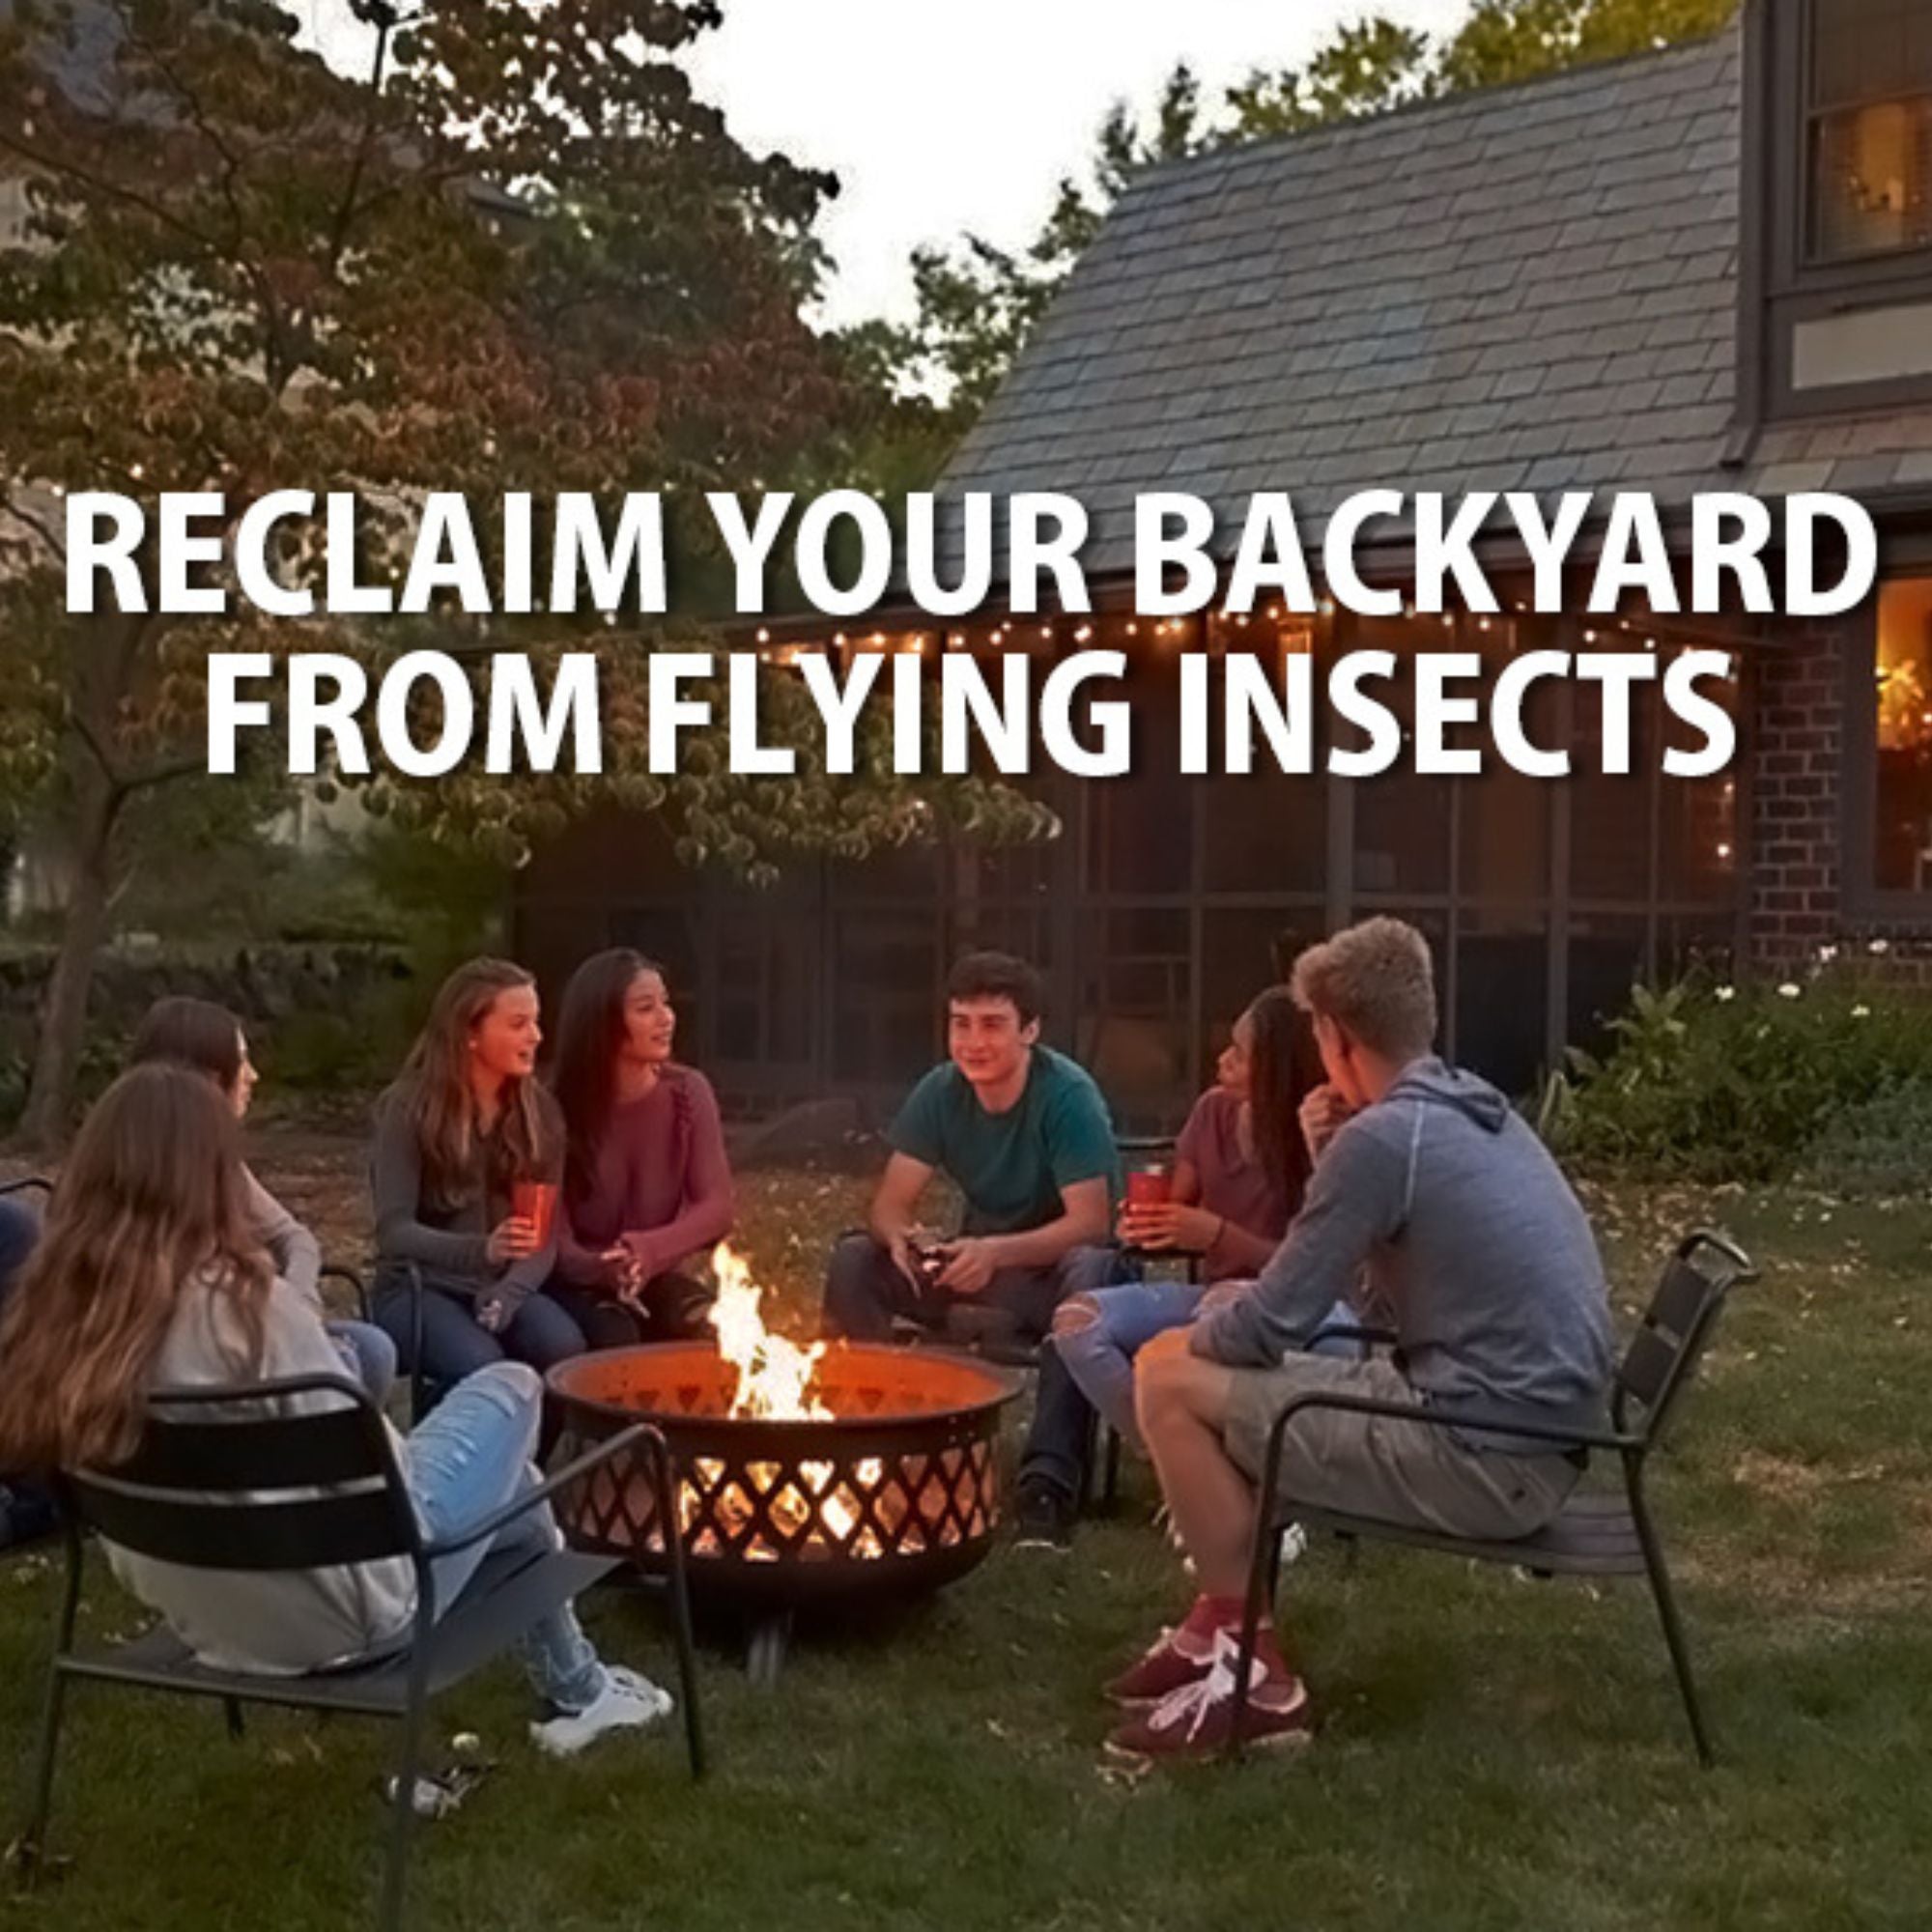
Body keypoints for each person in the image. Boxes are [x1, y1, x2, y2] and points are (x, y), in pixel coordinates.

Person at [0, 1064, 668, 1751]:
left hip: (210, 1619)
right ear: (211, 1175)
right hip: (356, 1614)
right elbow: (378, 1472)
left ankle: (580, 1688)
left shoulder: (63, 1325)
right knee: (514, 1390)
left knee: (515, 1486)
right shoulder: (249, 1310)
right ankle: (581, 1692)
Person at [1110, 918, 1613, 1762]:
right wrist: (1327, 1151)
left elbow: (1276, 1322)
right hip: (1534, 1430)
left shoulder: (1386, 1140)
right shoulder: (1472, 1109)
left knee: (1166, 1380)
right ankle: (1218, 1627)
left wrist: (1207, 1326)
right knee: (1180, 1369)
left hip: (1488, 1458)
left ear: (1334, 1037)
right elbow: (1374, 1298)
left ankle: (1254, 1678)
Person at [821, 951, 1121, 1550]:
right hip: (976, 1263)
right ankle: (865, 1440)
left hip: (1050, 1272)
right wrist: (901, 1236)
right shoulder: (941, 1090)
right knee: (856, 1257)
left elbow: (1091, 1223)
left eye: (992, 1025)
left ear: (1030, 1031)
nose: (973, 1042)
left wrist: (996, 1252)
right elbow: (888, 1203)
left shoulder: (1066, 1096)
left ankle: (1047, 1486)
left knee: (1091, 1274)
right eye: (961, 1023)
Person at [1050, 987, 1325, 1454]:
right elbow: (1178, 1206)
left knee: (1215, 1314)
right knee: (1077, 1325)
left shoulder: (1320, 1138)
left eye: (1239, 1054)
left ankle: (1217, 1474)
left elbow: (1318, 1266)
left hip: (1292, 1309)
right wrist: (1147, 1224)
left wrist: (1219, 1235)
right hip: (1210, 1300)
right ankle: (1184, 1457)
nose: (1222, 1060)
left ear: (1277, 1070)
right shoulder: (1212, 1113)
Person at [130, 995, 396, 1406]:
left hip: (163, 1416)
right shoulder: (196, 1281)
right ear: (207, 1079)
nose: (253, 1076)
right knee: (506, 1392)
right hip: (224, 1369)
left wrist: (298, 1308)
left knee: (369, 1347)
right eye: (241, 1062)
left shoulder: (220, 1169)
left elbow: (296, 1238)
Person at [370, 958, 583, 1385]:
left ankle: (529, 1454)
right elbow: (394, 1230)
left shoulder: (538, 1113)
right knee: (482, 1367)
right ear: (470, 1033)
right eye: (519, 1024)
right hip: (417, 1286)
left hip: (499, 1284)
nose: (536, 1037)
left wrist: (509, 1293)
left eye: (536, 1022)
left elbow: (542, 1236)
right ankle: (456, 1449)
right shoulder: (410, 1108)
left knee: (564, 1353)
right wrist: (482, 1250)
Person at [546, 949, 732, 1350]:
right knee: (618, 1340)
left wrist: (648, 1251)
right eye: (646, 1008)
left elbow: (716, 1208)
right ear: (604, 1022)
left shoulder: (688, 1092)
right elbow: (553, 1239)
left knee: (711, 1328)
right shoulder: (552, 1110)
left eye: (665, 1003)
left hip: (654, 1271)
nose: (666, 1018)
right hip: (576, 1283)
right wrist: (602, 1269)